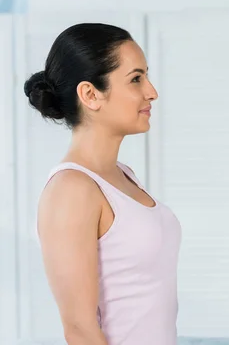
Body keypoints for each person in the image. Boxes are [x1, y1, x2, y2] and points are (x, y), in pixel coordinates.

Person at [25, 23, 182, 345]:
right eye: (136, 79)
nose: (152, 92)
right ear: (91, 94)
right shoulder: (72, 190)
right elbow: (80, 329)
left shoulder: (123, 175)